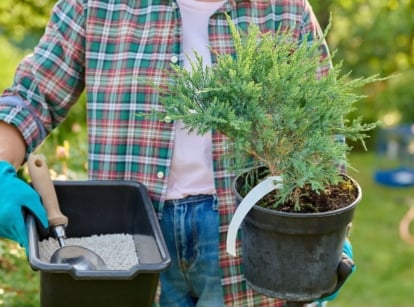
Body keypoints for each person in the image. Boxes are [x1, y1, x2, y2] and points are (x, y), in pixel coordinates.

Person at [0, 0, 355, 306]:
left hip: (246, 236)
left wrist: (324, 234)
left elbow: (319, 130)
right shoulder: (95, 5)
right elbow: (32, 97)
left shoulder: (283, 9)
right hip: (130, 237)